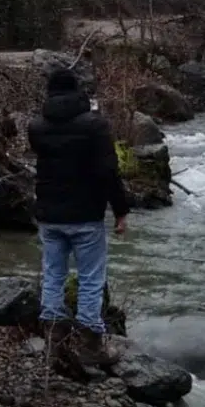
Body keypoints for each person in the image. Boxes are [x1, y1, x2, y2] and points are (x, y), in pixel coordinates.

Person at [27, 68, 129, 370]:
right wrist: (120, 210)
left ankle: (53, 342)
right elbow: (109, 171)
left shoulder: (37, 127)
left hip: (49, 214)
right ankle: (90, 344)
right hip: (86, 214)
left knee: (53, 275)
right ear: (78, 91)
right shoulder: (95, 126)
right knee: (90, 279)